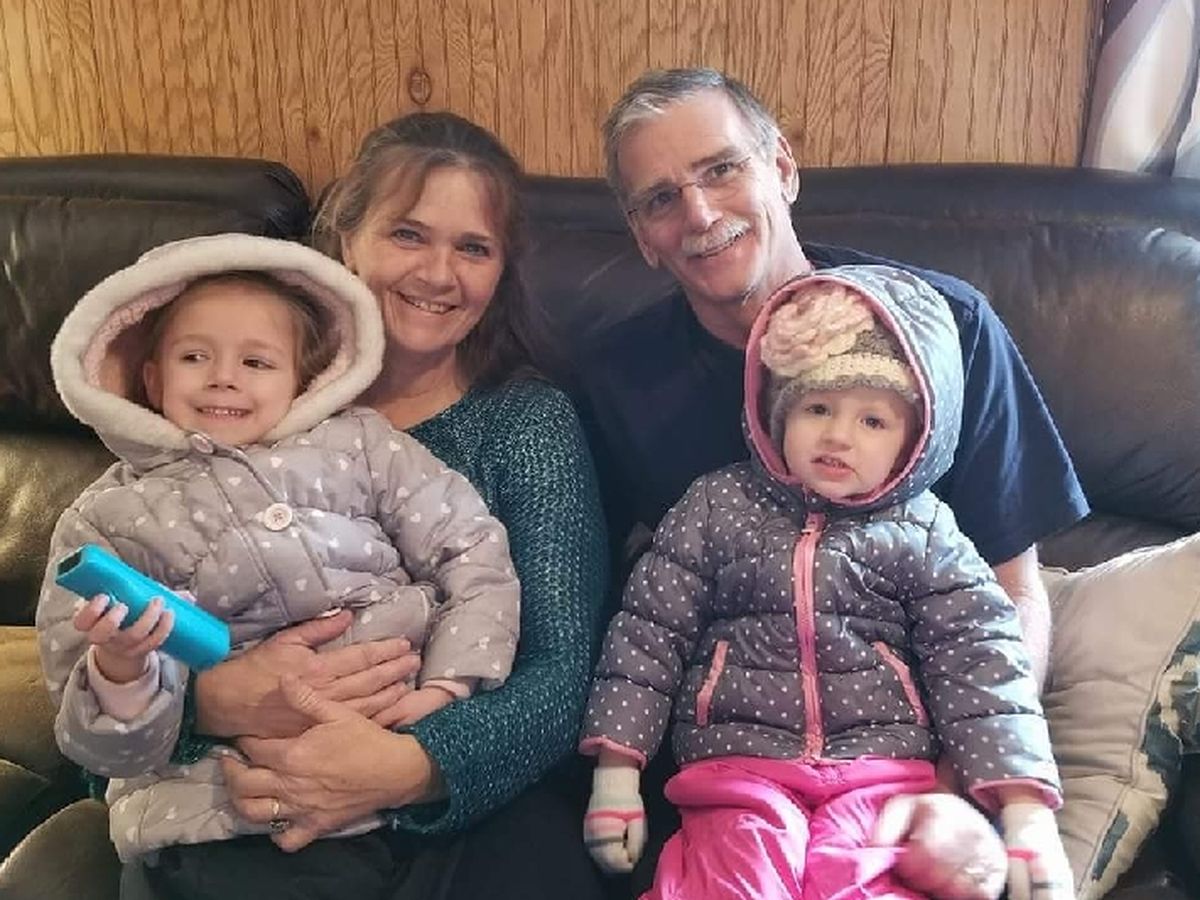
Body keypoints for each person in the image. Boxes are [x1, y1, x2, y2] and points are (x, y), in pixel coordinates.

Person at [576, 68, 1089, 898]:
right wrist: (617, 769)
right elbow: (625, 613)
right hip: (726, 776)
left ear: (782, 166)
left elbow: (1009, 595)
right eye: (661, 199)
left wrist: (957, 791)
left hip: (902, 772)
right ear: (641, 235)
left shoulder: (945, 331)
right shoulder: (616, 377)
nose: (699, 214)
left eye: (721, 168)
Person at [105, 113, 609, 899]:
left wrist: (409, 767)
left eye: (473, 248)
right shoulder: (238, 396)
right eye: (407, 234)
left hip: (462, 791)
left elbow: (563, 672)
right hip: (236, 796)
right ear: (346, 239)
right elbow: (99, 654)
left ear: (503, 271)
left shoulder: (524, 424)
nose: (439, 274)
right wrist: (205, 704)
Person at [38, 234, 521, 865]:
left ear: (301, 379)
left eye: (257, 362)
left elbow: (474, 550)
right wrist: (122, 672)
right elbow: (98, 748)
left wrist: (445, 692)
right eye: (194, 356)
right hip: (218, 812)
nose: (223, 377)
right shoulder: (101, 521)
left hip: (402, 763)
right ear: (152, 377)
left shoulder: (361, 444)